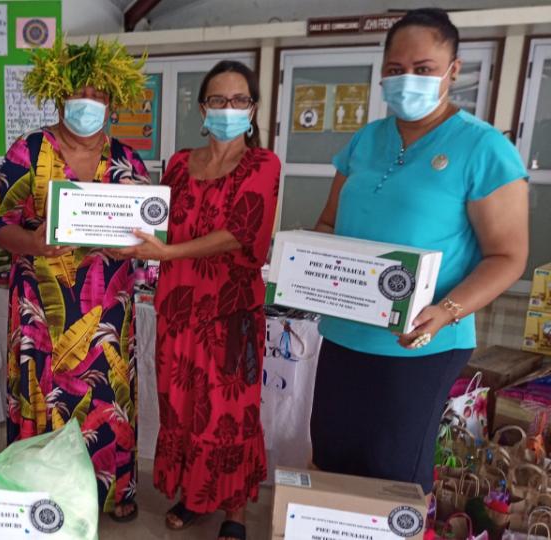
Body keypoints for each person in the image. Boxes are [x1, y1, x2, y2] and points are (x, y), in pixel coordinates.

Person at [310, 8, 528, 497]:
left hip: (419, 343)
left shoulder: (483, 149)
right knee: (331, 454)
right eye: (395, 69)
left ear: (453, 70)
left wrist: (445, 312)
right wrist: (303, 267)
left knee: (391, 472)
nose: (407, 79)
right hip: (344, 332)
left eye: (424, 68)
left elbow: (507, 256)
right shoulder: (366, 140)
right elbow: (329, 223)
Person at [115, 60, 279, 540]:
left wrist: (168, 251)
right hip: (179, 311)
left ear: (252, 109)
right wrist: (118, 210)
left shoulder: (263, 164)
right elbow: (158, 217)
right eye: (218, 100)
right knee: (182, 408)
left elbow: (242, 233)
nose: (228, 109)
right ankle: (194, 494)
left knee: (230, 414)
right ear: (202, 108)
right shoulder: (180, 164)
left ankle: (234, 510)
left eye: (238, 100)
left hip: (230, 315)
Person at [0, 36, 148, 521]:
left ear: (113, 102)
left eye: (100, 95)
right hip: (42, 308)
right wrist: (33, 242)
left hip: (107, 312)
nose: (89, 104)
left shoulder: (128, 161)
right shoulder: (30, 150)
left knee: (107, 399)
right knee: (42, 396)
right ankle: (40, 499)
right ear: (59, 95)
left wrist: (138, 244)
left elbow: (148, 228)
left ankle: (112, 494)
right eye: (80, 93)